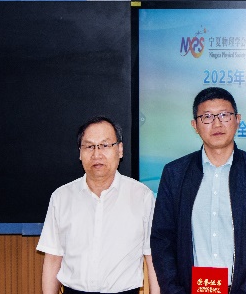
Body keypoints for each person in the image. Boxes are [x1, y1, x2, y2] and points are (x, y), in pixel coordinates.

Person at [150, 87, 246, 294]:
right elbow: (162, 238)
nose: (217, 124)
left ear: (237, 120)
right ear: (195, 125)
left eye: (224, 115)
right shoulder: (175, 173)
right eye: (207, 117)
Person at [37, 116, 160, 294]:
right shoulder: (61, 197)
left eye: (105, 145)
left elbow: (152, 258)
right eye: (89, 146)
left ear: (120, 150)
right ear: (80, 153)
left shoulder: (142, 197)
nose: (97, 154)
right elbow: (53, 258)